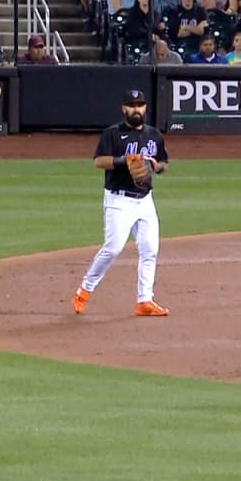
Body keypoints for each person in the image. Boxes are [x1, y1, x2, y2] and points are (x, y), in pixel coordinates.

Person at [73, 90, 171, 318]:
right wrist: (123, 161)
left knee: (150, 249)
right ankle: (84, 290)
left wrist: (156, 166)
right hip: (119, 200)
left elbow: (164, 163)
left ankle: (144, 300)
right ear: (123, 108)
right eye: (131, 105)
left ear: (145, 108)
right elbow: (99, 161)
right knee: (113, 248)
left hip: (145, 200)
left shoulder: (153, 135)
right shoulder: (113, 134)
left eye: (140, 105)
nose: (136, 109)